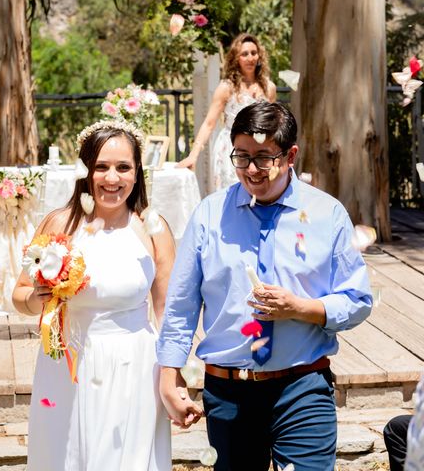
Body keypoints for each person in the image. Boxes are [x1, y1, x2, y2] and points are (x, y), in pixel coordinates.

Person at [158, 102, 373, 470]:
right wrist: (169, 375)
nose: (251, 169)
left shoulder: (328, 215)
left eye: (263, 157)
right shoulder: (210, 215)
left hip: (302, 386)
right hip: (227, 393)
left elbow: (358, 299)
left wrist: (301, 308)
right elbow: (181, 305)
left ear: (290, 155)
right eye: (241, 157)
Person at [12, 120, 175, 470]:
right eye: (101, 167)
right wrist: (37, 298)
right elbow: (19, 294)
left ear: (137, 173)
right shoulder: (60, 225)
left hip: (135, 364)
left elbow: (166, 312)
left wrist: (173, 378)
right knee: (66, 456)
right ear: (85, 171)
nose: (112, 179)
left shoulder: (153, 227)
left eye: (123, 168)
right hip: (69, 364)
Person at [177, 33, 276, 190]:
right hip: (232, 149)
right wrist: (193, 155)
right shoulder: (227, 88)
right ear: (236, 58)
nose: (250, 58)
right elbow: (209, 123)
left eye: (253, 53)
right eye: (244, 54)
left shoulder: (268, 88)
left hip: (260, 149)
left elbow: (273, 124)